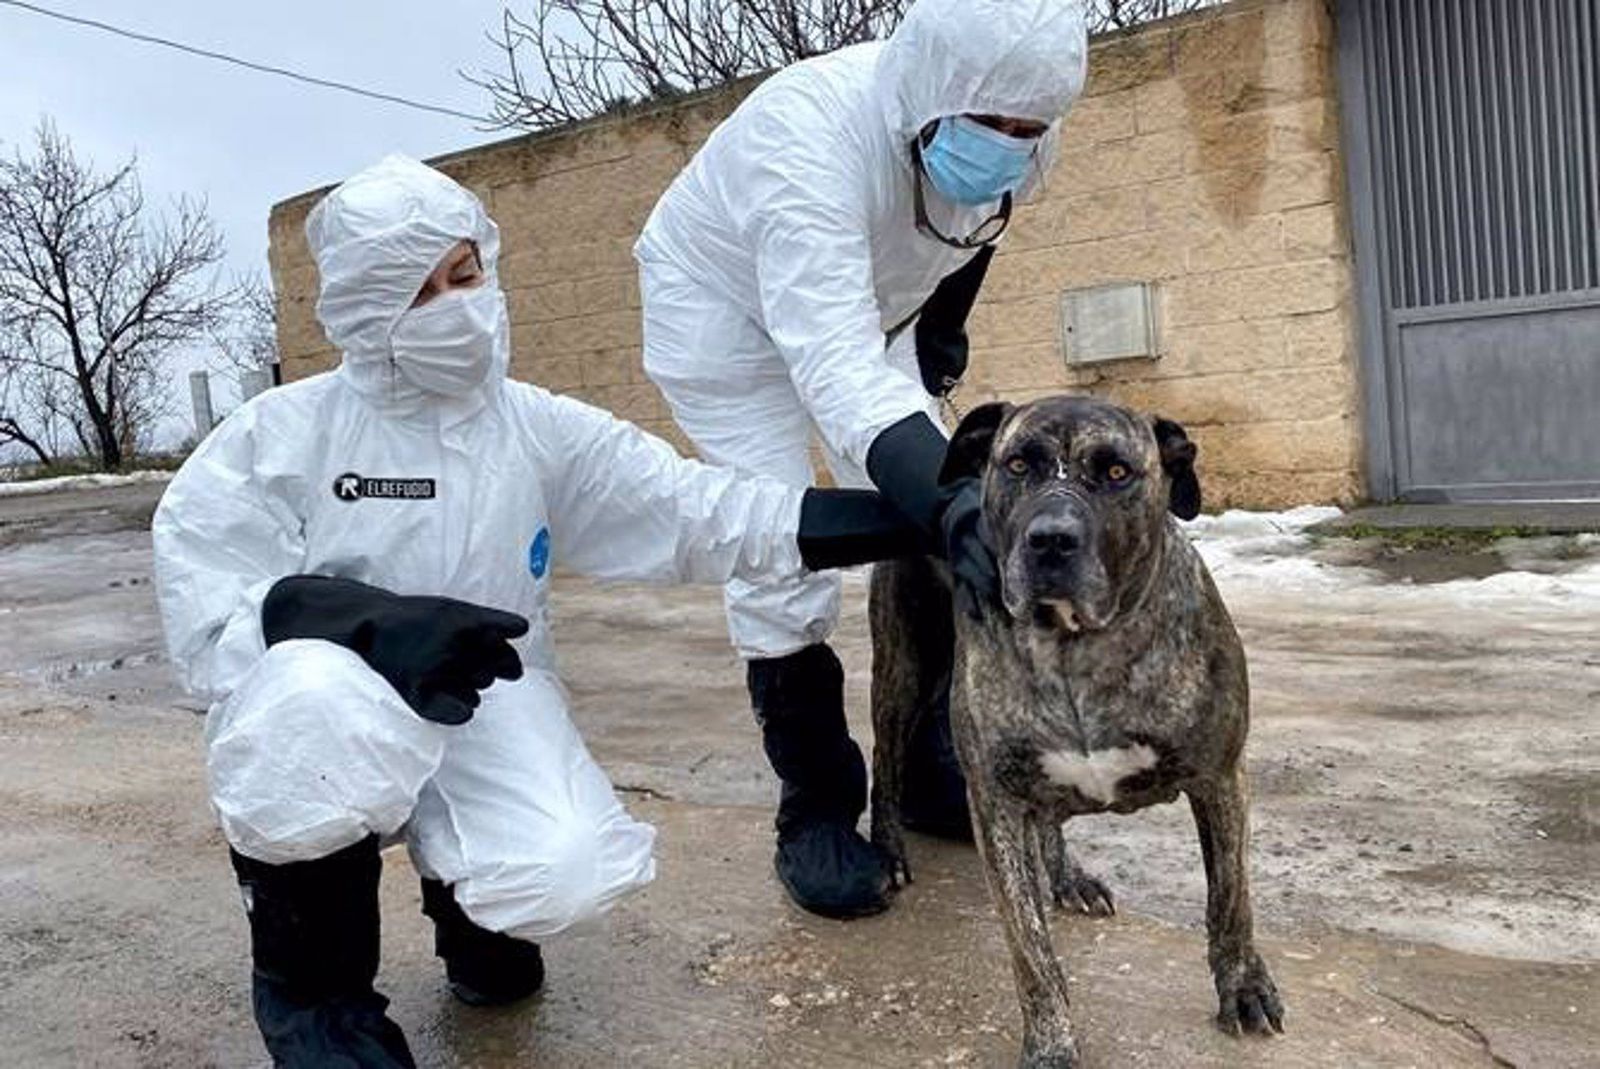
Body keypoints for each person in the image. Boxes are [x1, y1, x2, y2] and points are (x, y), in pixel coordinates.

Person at [151, 154, 924, 1068]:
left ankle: (469, 909)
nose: (459, 305)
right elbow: (205, 620)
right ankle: (319, 1000)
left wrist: (912, 515)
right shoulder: (280, 437)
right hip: (333, 718)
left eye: (466, 273)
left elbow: (699, 509)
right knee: (303, 704)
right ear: (366, 311)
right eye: (422, 290)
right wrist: (349, 619)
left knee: (568, 867)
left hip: (485, 698)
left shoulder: (533, 428)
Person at [634, 0, 1090, 918]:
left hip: (870, 310)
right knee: (782, 542)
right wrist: (962, 504)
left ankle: (924, 769)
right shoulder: (806, 141)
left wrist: (942, 327)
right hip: (723, 321)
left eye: (1027, 131)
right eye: (991, 126)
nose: (1010, 145)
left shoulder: (1012, 131)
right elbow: (834, 367)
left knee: (919, 534)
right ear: (930, 95)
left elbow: (977, 227)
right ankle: (815, 806)